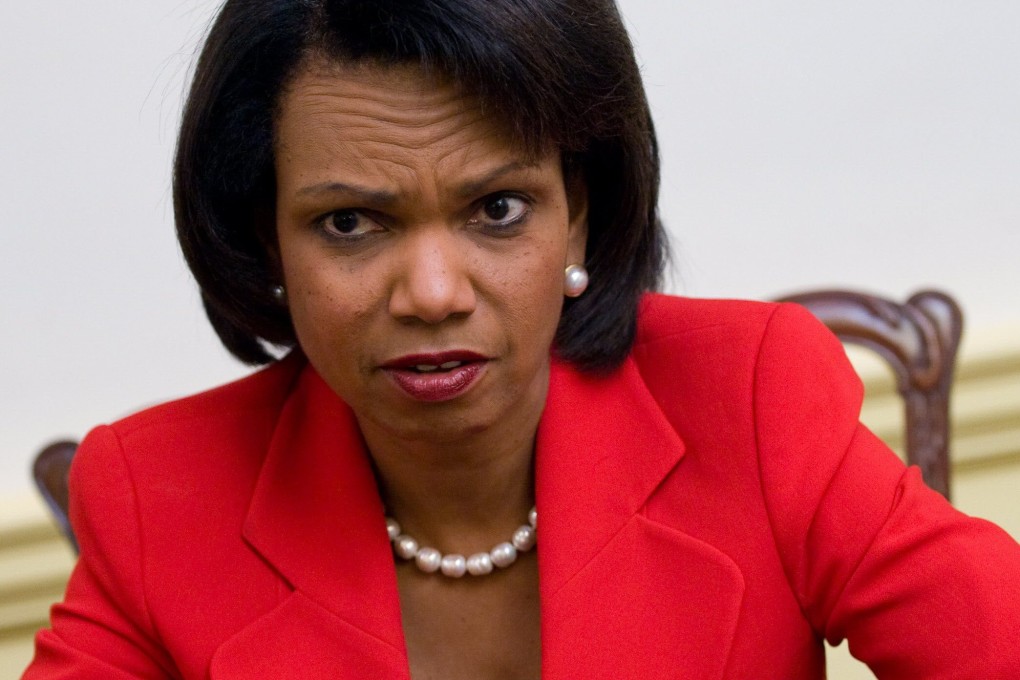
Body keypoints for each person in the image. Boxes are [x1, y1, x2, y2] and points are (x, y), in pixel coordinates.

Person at [23, 0, 1020, 678]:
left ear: (577, 215)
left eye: (496, 208)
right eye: (349, 223)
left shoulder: (750, 399)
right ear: (264, 238)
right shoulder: (156, 495)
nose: (432, 291)